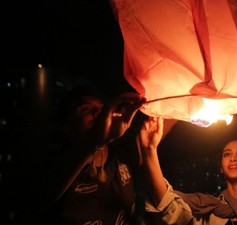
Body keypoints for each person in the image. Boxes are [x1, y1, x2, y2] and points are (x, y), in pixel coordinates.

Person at [8, 84, 147, 225]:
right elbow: (34, 198)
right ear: (67, 124)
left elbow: (148, 141)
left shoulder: (119, 160)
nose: (97, 114)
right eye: (86, 109)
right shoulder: (56, 165)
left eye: (101, 108)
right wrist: (93, 140)